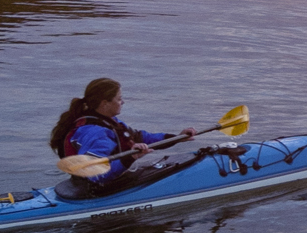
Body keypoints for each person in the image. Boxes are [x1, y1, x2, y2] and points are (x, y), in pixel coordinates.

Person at [47, 78, 200, 197]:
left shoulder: (105, 120)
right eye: (119, 99)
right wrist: (130, 158)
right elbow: (94, 174)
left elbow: (141, 137)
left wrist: (177, 138)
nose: (123, 102)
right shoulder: (98, 134)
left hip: (96, 181)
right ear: (105, 103)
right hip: (98, 188)